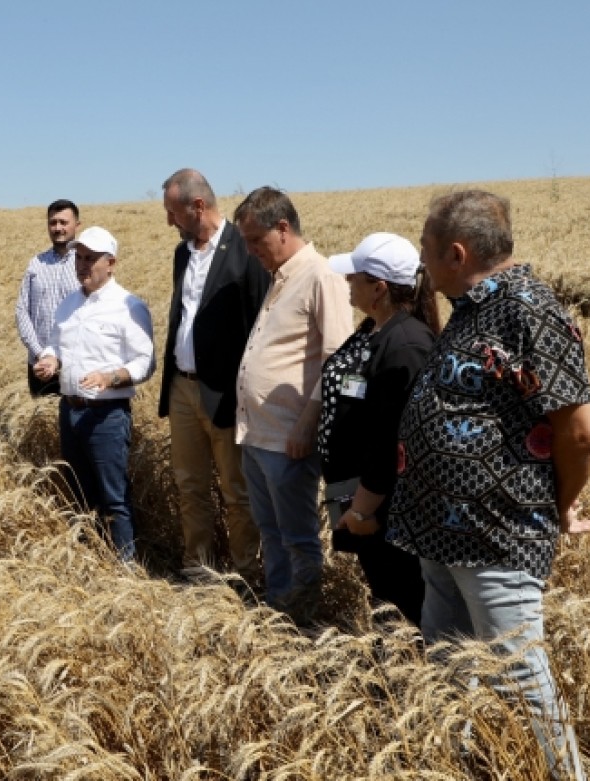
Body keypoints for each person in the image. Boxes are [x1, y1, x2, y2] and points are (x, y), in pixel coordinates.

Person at [387, 190, 590, 779]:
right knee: (451, 667)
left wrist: (561, 505)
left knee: (522, 680)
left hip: (497, 535)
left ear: (456, 253)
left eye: (426, 252)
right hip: (445, 536)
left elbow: (580, 434)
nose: (422, 265)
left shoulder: (529, 310)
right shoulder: (475, 308)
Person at [232, 186, 353, 619]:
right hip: (258, 435)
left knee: (297, 536)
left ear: (282, 228)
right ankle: (279, 605)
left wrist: (307, 423)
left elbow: (337, 360)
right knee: (271, 530)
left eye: (255, 240)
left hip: (289, 438)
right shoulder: (279, 277)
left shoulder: (320, 276)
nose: (249, 251)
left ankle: (302, 614)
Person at [317, 232, 440, 627]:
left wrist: (363, 509)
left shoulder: (404, 345)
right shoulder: (378, 330)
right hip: (364, 497)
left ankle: (412, 677)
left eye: (355, 277)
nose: (348, 283)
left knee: (402, 594)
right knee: (386, 593)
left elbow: (392, 440)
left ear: (379, 288)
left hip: (384, 507)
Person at [158, 169, 271, 585]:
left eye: (173, 212)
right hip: (183, 388)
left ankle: (248, 576)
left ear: (198, 206)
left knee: (236, 491)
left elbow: (261, 322)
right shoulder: (182, 254)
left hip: (225, 393)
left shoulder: (244, 249)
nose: (169, 222)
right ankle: (198, 569)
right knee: (190, 486)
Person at [33, 227, 154, 560]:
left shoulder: (129, 306)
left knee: (113, 497)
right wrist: (49, 359)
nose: (82, 265)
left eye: (90, 259)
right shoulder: (69, 304)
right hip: (69, 410)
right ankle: (93, 560)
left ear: (111, 262)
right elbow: (56, 343)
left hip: (107, 416)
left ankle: (125, 567)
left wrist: (112, 376)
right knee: (81, 495)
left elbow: (146, 361)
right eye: (79, 258)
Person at [16, 199, 81, 396]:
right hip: (40, 366)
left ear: (77, 225)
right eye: (53, 223)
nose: (58, 228)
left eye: (63, 222)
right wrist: (41, 353)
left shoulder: (86, 263)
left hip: (76, 363)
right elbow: (21, 311)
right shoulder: (36, 264)